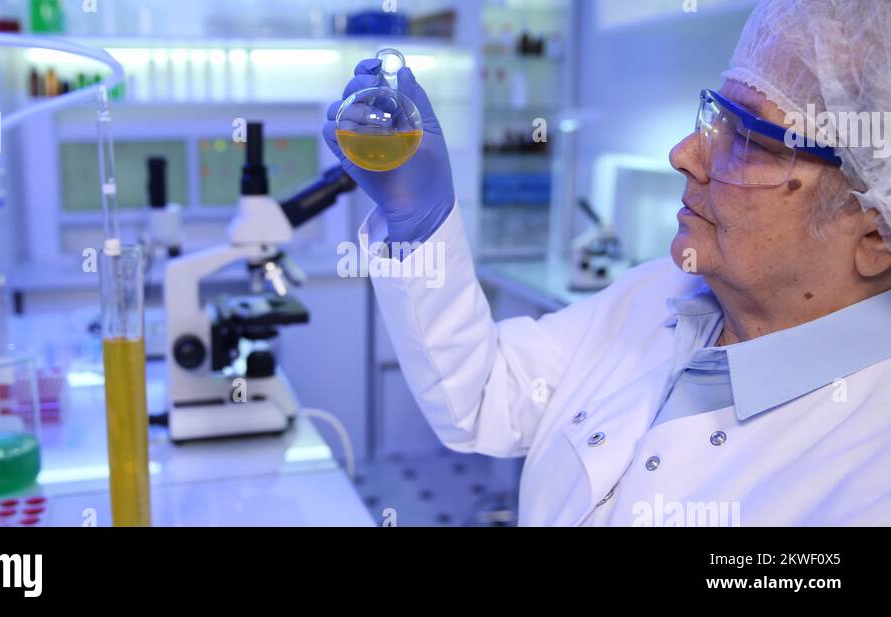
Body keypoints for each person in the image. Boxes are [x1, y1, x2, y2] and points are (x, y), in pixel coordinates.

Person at [323, 0, 891, 525]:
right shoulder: (662, 291)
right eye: (716, 116)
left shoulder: (869, 483)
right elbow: (484, 398)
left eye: (750, 141)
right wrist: (423, 225)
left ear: (875, 235)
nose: (683, 154)